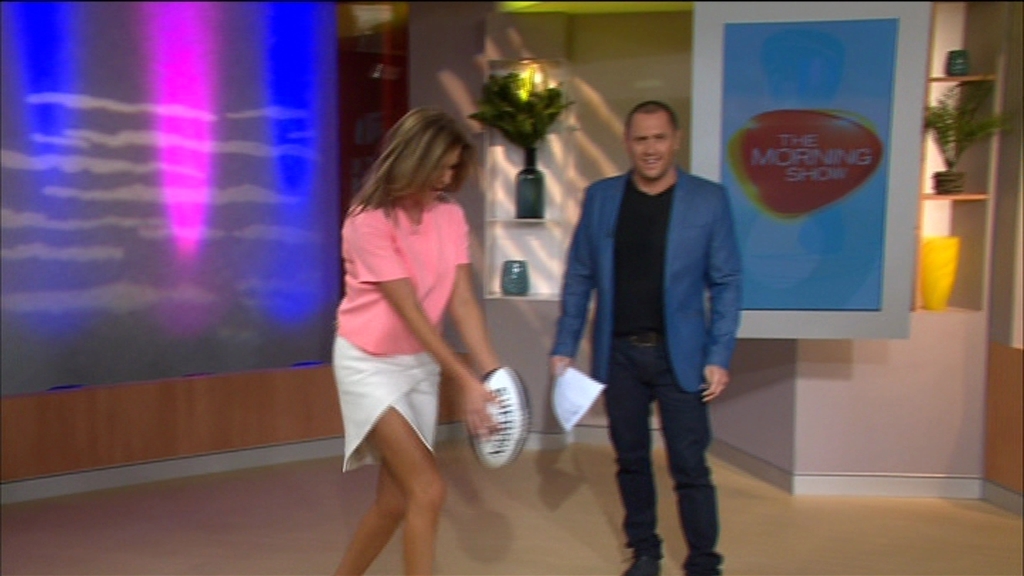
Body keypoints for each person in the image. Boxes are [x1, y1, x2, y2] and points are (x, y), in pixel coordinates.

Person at [550, 100, 742, 576]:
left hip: (682, 357)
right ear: (627, 143)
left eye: (659, 138)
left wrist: (719, 354)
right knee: (631, 460)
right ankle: (645, 551)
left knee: (690, 465)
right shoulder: (601, 198)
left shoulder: (708, 200)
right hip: (619, 355)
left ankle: (704, 561)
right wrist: (565, 345)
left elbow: (726, 282)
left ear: (675, 141)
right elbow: (579, 275)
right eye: (641, 139)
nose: (650, 148)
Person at [331, 107, 502, 576]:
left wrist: (493, 375)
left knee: (393, 502)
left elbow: (462, 302)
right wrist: (463, 379)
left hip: (420, 364)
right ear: (412, 160)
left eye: (453, 168)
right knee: (428, 489)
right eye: (439, 167)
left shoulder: (450, 215)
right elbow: (411, 312)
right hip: (369, 364)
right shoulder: (367, 222)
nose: (446, 179)